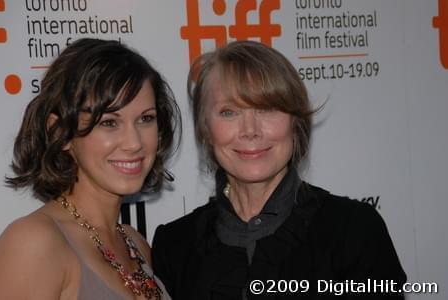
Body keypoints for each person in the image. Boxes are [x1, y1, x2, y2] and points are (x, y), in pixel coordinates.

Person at [152, 40, 407, 299]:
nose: (250, 130)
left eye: (266, 108)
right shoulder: (174, 246)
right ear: (205, 130)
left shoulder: (354, 231)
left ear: (296, 124)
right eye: (229, 112)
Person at [0, 38, 180, 299]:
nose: (134, 142)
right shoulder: (35, 243)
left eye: (145, 119)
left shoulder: (135, 243)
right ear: (60, 132)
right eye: (109, 122)